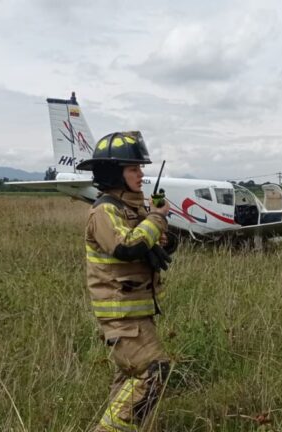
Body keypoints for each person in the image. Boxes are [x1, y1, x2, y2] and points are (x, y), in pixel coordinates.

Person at [76, 131, 173, 432]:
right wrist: (155, 219)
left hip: (136, 313)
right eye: (134, 169)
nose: (141, 174)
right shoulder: (105, 210)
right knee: (155, 372)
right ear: (115, 173)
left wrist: (161, 234)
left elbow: (149, 248)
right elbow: (125, 246)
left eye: (141, 168)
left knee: (130, 381)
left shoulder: (131, 209)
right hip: (122, 315)